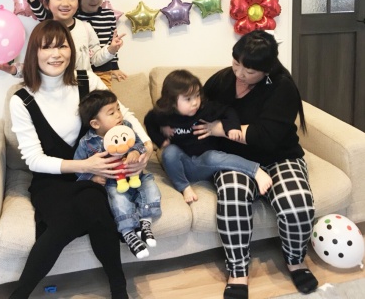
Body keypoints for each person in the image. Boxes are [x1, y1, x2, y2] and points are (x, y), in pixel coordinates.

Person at [9, 19, 141, 299]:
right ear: (34, 52)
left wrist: (147, 147)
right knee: (78, 215)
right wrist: (85, 165)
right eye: (47, 47)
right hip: (52, 180)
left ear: (71, 50)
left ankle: (119, 289)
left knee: (93, 201)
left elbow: (124, 114)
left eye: (62, 46)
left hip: (92, 177)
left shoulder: (86, 80)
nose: (56, 54)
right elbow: (33, 159)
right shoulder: (21, 99)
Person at [194, 30, 317, 299]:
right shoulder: (222, 80)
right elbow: (198, 112)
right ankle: (238, 270)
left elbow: (265, 136)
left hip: (279, 156)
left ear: (266, 69)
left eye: (248, 71)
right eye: (235, 64)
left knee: (297, 203)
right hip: (235, 158)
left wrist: (219, 129)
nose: (239, 73)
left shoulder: (282, 87)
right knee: (232, 196)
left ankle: (296, 260)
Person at [144, 70, 272, 204]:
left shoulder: (204, 109)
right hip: (182, 164)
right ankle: (185, 187)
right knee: (169, 152)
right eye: (188, 99)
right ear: (171, 102)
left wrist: (232, 127)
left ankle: (256, 171)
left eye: (197, 96)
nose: (195, 102)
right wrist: (161, 140)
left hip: (205, 163)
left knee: (212, 157)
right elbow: (149, 121)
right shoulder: (164, 114)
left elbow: (227, 111)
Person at [74, 89, 161, 260]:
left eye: (118, 109)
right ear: (95, 124)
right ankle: (128, 233)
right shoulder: (87, 143)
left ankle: (145, 222)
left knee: (151, 186)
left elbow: (138, 143)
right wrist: (92, 177)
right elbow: (79, 166)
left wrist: (135, 151)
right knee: (118, 199)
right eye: (111, 113)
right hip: (113, 182)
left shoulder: (126, 127)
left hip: (135, 175)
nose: (119, 115)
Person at [1, 0, 124, 84]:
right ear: (47, 3)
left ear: (78, 3)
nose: (66, 3)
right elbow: (35, 65)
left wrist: (111, 49)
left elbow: (96, 59)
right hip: (55, 89)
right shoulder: (45, 30)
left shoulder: (86, 28)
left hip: (84, 88)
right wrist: (15, 70)